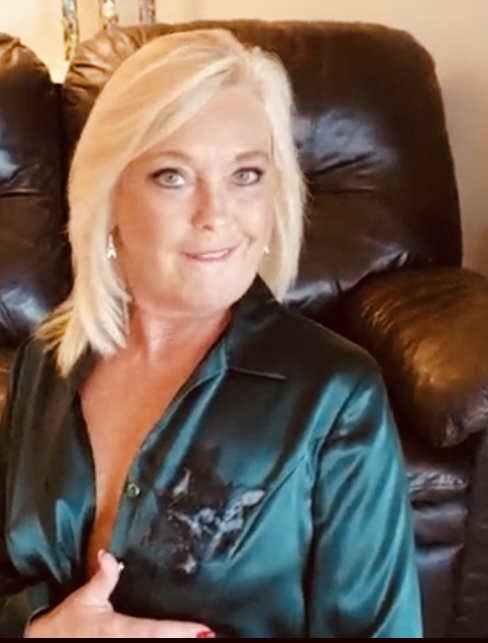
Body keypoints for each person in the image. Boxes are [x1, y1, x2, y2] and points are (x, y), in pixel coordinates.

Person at [0, 28, 422, 638]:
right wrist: (39, 629)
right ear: (108, 196)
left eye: (246, 174)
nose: (216, 214)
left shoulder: (335, 396)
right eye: (172, 176)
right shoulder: (46, 360)